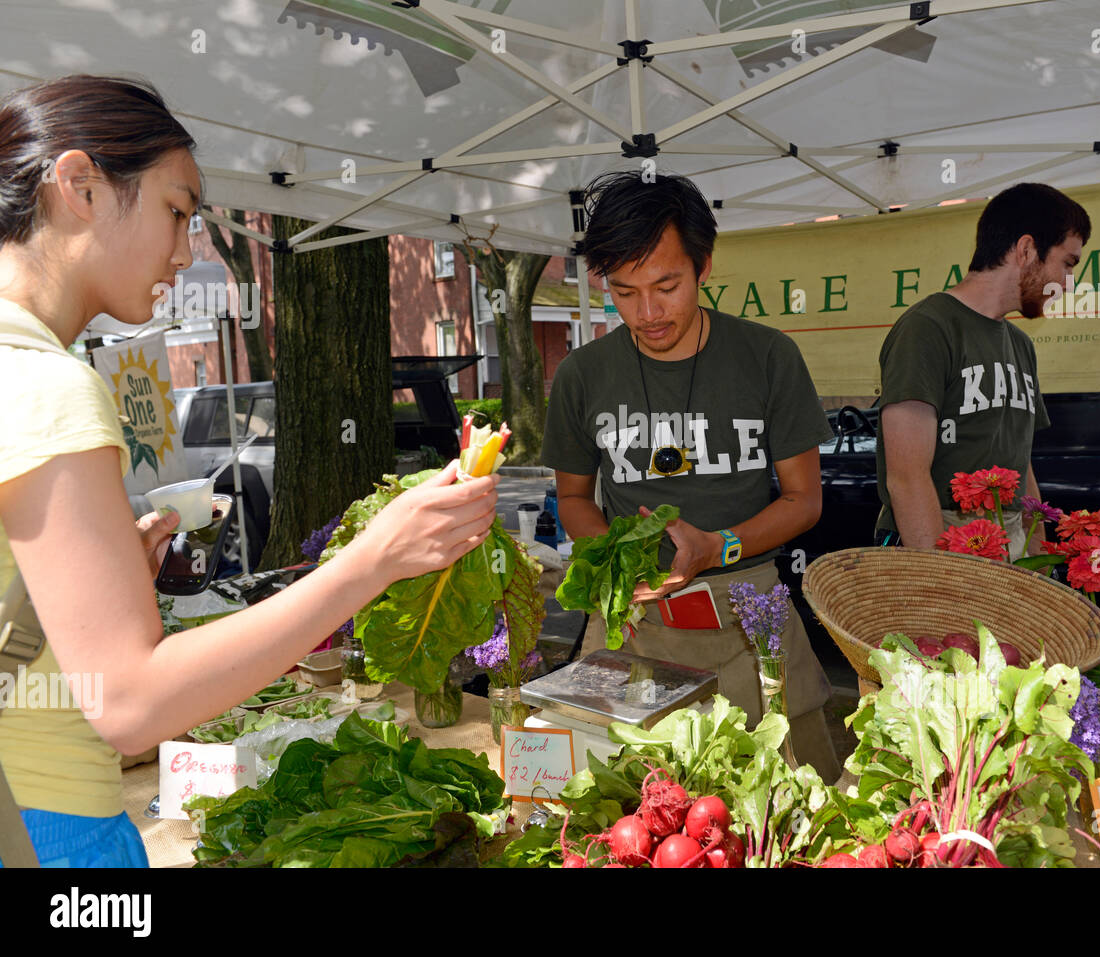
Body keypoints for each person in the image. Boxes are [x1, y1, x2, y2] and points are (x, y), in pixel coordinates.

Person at [0, 75, 500, 867]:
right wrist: (370, 562)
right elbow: (130, 704)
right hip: (53, 832)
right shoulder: (47, 384)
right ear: (80, 186)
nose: (183, 251)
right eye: (175, 209)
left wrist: (67, 600)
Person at [542, 170, 839, 783]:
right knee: (629, 808)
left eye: (666, 286)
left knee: (782, 809)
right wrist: (609, 561)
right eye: (623, 293)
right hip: (631, 624)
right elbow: (573, 496)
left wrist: (716, 546)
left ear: (704, 266)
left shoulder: (766, 357)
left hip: (747, 616)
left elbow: (804, 500)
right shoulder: (582, 374)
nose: (647, 313)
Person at [875, 182, 1091, 554]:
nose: (1068, 284)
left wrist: (1036, 556)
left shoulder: (1021, 344)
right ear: (1026, 249)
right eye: (1067, 263)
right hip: (939, 542)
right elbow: (907, 479)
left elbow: (1021, 463)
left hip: (1006, 543)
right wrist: (942, 579)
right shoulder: (927, 328)